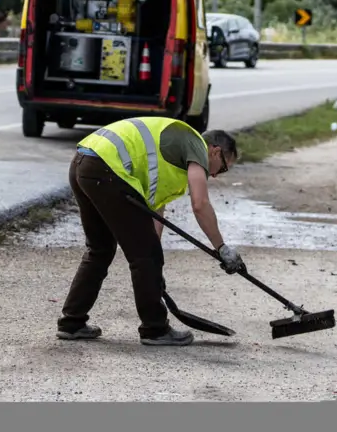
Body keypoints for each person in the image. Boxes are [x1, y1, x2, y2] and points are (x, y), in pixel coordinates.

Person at [56, 116, 245, 346]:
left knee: (101, 249)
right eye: (223, 168)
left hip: (84, 162)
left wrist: (152, 272)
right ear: (215, 151)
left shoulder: (173, 154)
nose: (215, 175)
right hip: (106, 168)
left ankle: (72, 323)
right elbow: (200, 204)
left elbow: (154, 210)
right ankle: (155, 329)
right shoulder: (196, 144)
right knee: (142, 255)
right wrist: (221, 248)